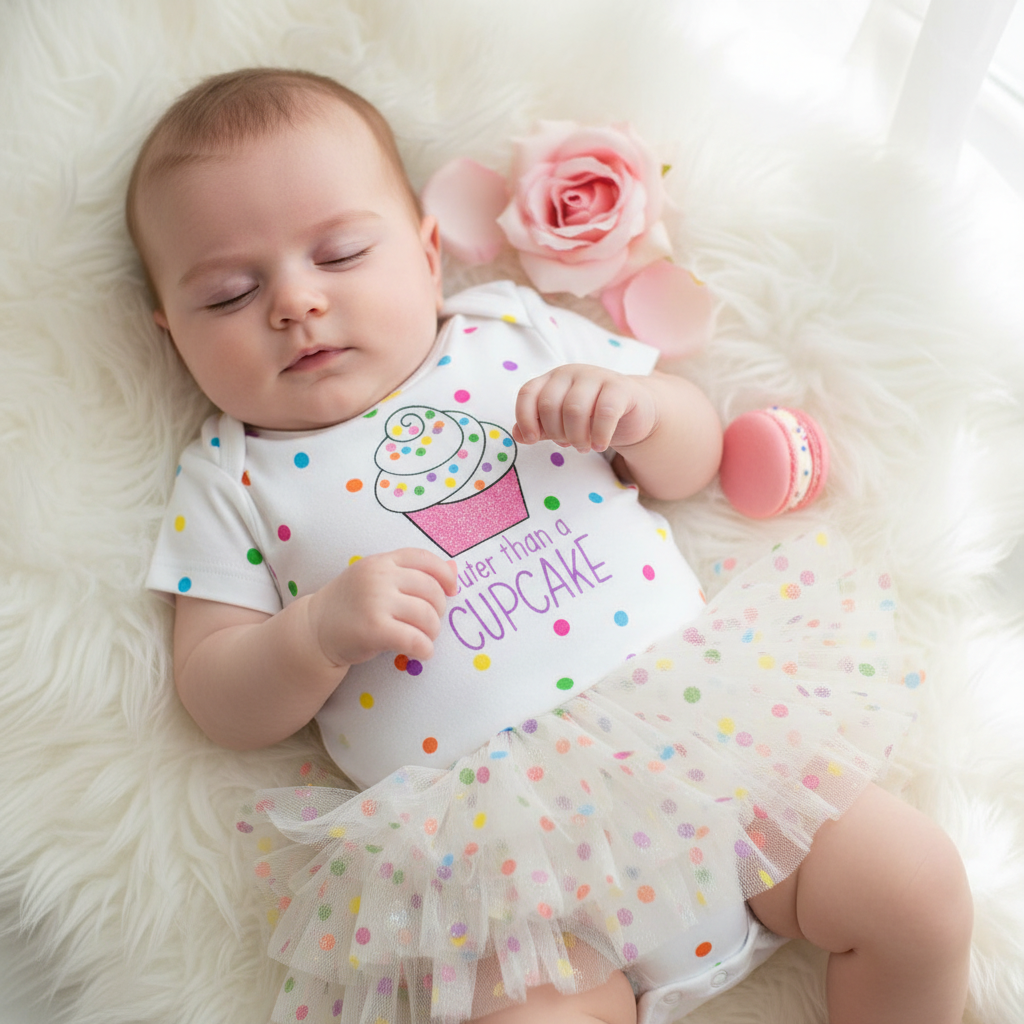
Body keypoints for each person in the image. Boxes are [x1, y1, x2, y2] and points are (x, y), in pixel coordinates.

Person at [131, 68, 973, 1024]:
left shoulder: (512, 335)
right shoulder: (229, 474)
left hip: (701, 748)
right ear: (170, 335)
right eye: (230, 295)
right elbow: (215, 693)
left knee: (915, 885)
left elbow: (689, 460)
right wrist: (315, 634)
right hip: (507, 874)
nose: (295, 304)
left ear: (427, 250)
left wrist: (640, 411)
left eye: (341, 253)